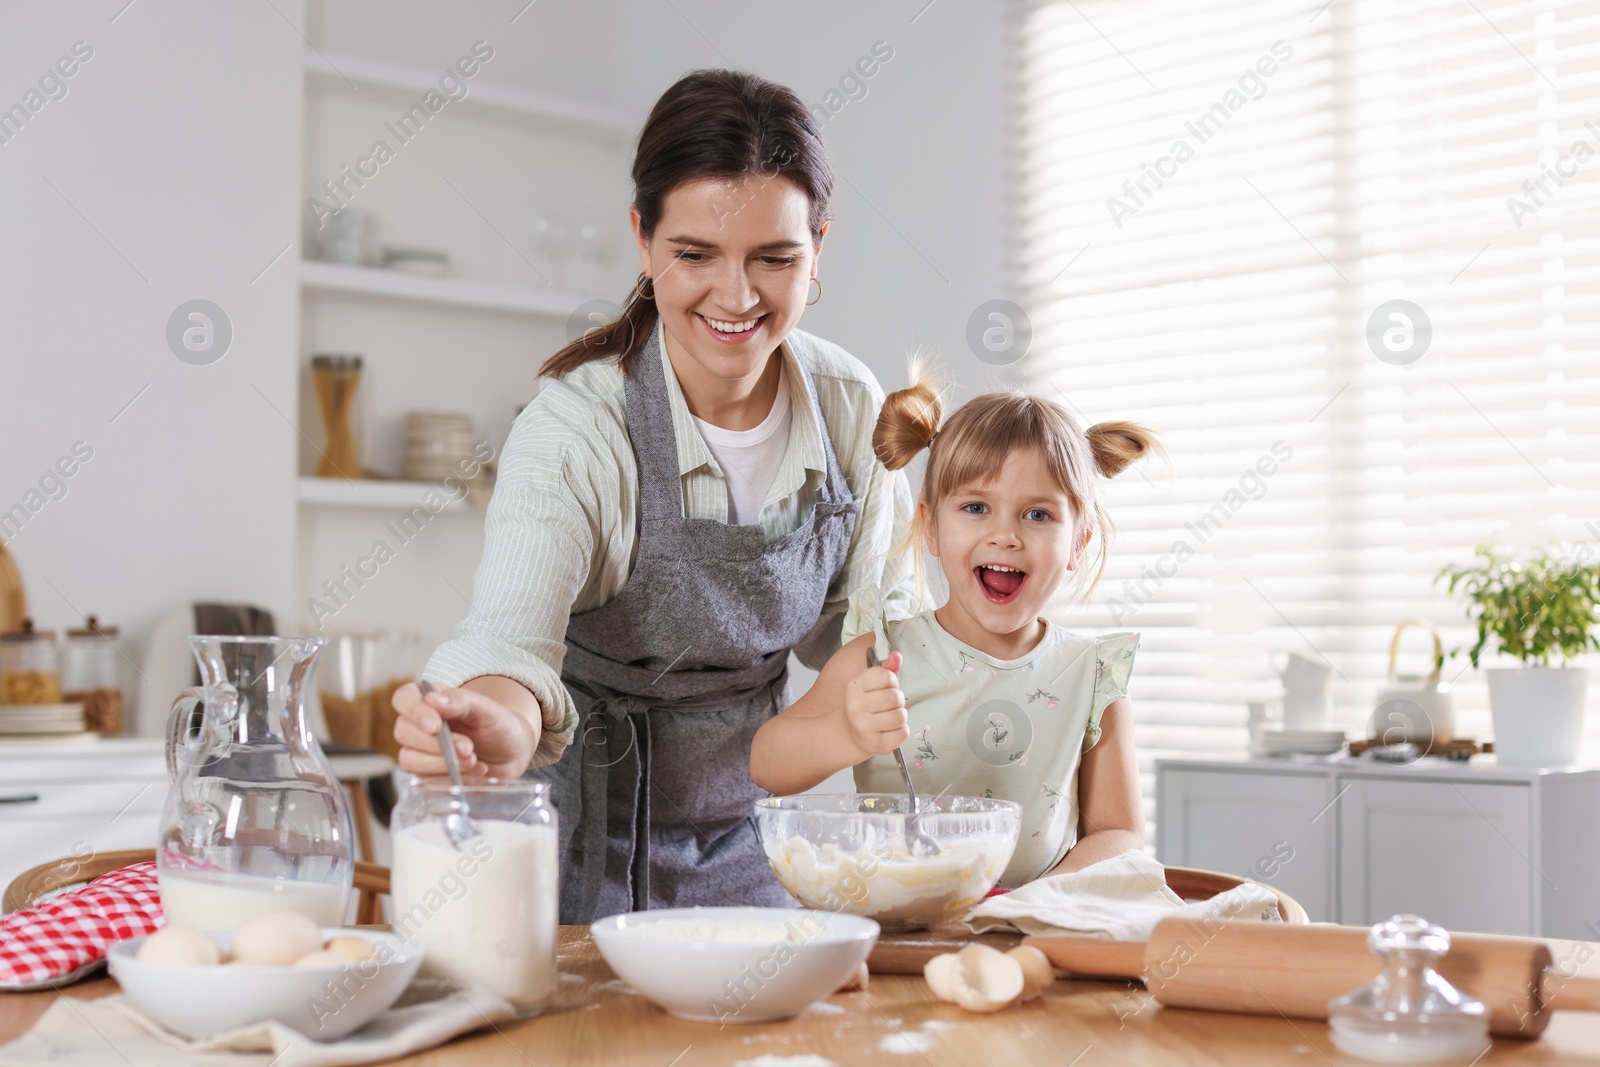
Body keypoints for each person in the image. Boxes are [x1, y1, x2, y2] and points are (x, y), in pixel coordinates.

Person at [388, 69, 913, 924]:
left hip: (761, 852)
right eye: (695, 255)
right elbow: (507, 640)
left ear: (819, 245)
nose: (736, 298)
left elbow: (878, 631)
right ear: (643, 239)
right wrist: (493, 724)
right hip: (572, 859)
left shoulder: (851, 408)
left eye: (774, 258)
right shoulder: (577, 431)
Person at [750, 374, 1160, 886]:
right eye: (975, 508)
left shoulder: (1092, 676)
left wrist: (1037, 904)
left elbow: (1119, 833)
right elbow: (768, 763)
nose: (1005, 535)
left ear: (1079, 542)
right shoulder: (878, 655)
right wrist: (845, 733)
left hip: (1031, 933)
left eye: (1038, 514)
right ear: (931, 527)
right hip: (898, 916)